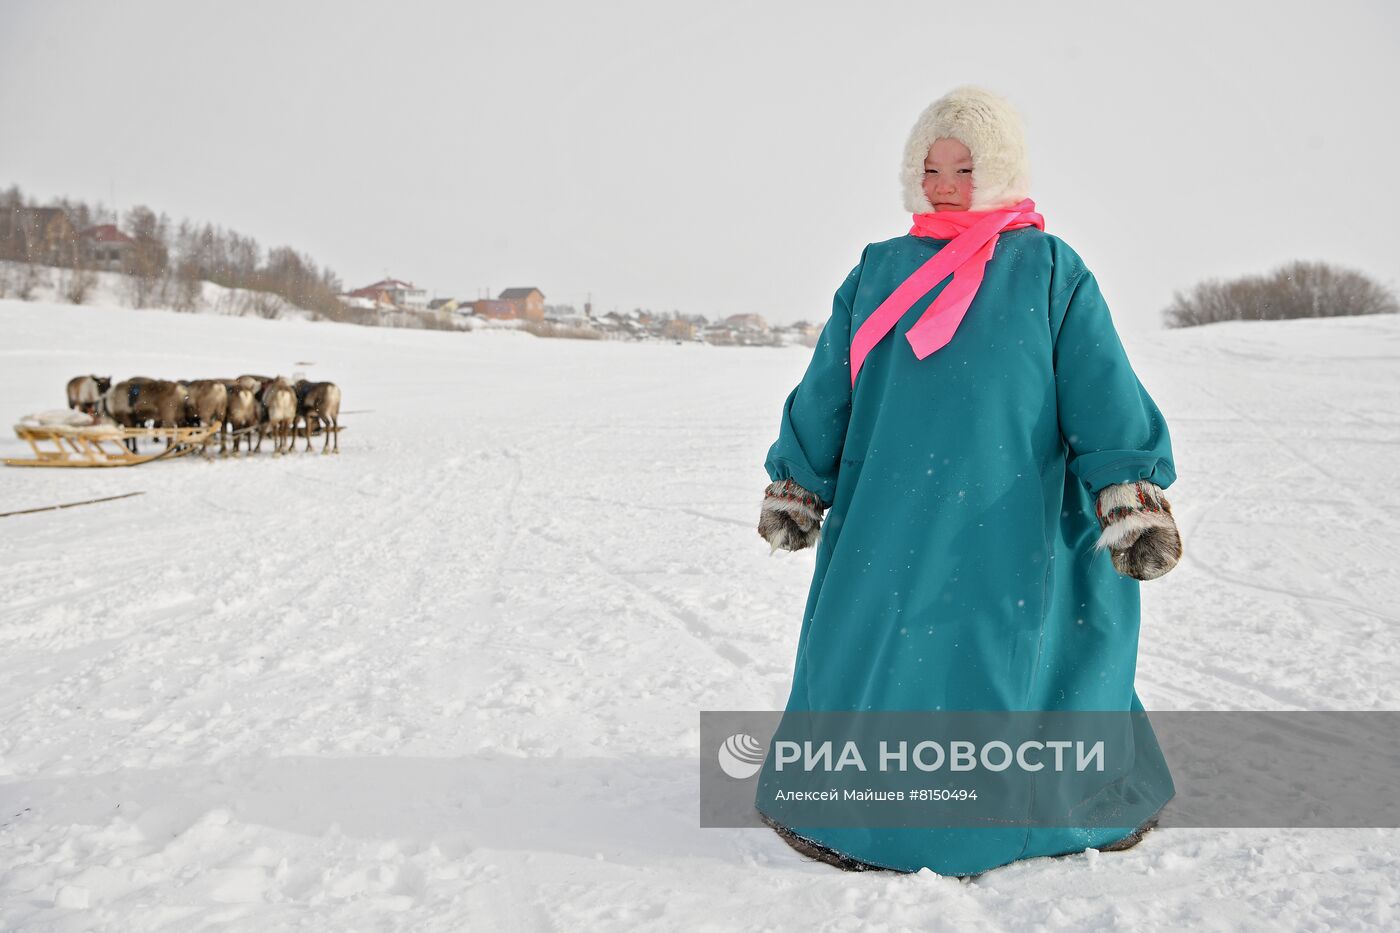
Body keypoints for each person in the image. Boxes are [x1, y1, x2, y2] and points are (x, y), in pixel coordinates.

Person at [753, 86, 1184, 876]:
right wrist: (798, 479)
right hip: (888, 508)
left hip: (1013, 512)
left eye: (964, 166)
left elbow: (1100, 384)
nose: (945, 182)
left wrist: (1128, 485)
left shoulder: (1051, 268)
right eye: (930, 166)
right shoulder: (877, 270)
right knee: (882, 652)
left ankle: (1035, 807)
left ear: (1002, 171)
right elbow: (829, 387)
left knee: (1013, 654)